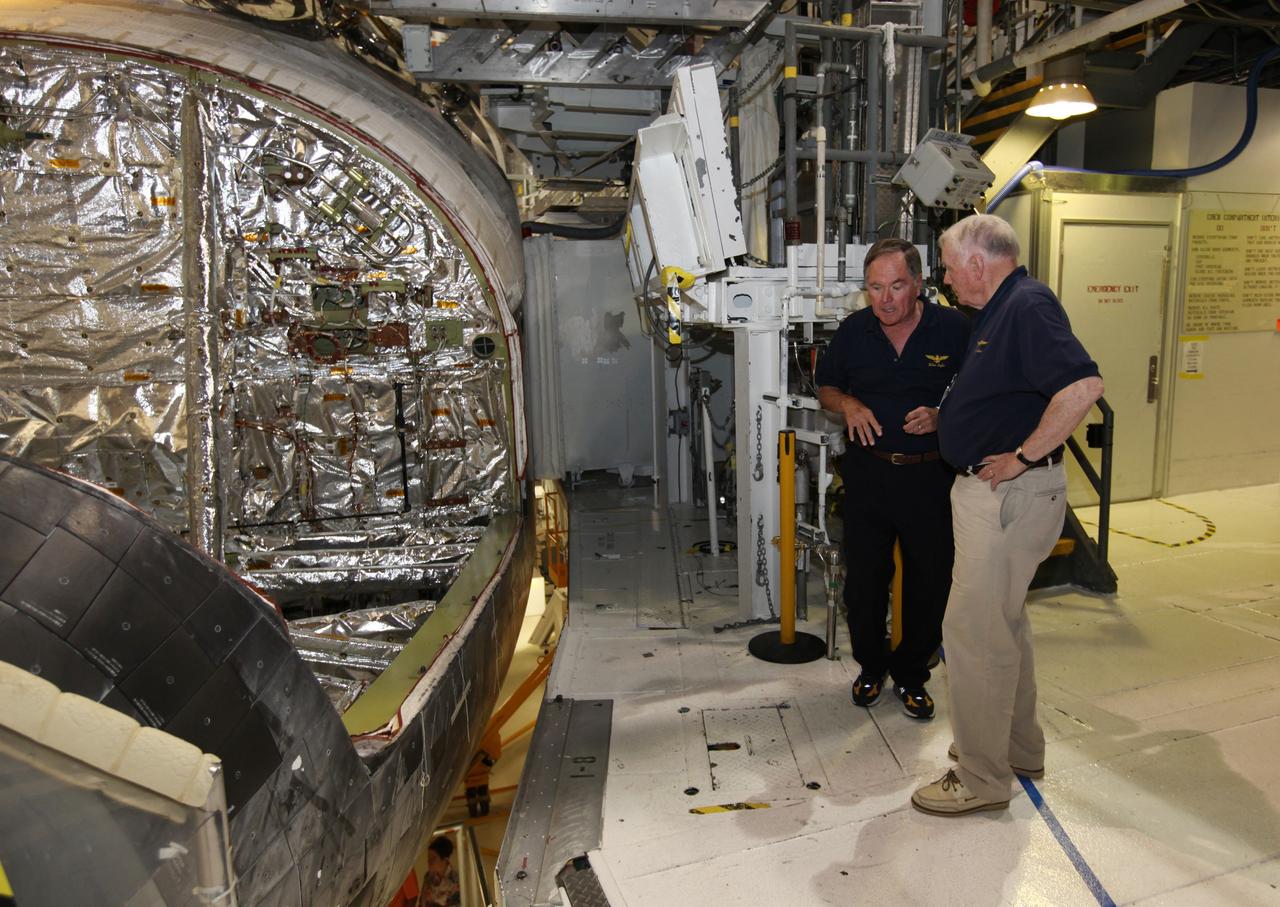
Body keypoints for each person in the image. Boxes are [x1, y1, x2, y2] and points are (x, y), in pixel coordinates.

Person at [912, 213, 1104, 816]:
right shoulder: (999, 309)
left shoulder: (1026, 305)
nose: (946, 279)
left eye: (949, 267)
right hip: (998, 497)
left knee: (973, 634)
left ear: (977, 263)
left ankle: (982, 777)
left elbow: (1083, 387)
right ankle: (1017, 749)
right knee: (1004, 627)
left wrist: (1022, 456)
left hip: (1007, 497)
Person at [816, 238, 970, 719]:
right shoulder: (854, 331)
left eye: (896, 286)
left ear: (919, 284)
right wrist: (848, 404)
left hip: (931, 478)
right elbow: (826, 386)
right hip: (869, 474)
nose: (884, 299)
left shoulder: (954, 329)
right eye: (875, 287)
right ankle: (871, 666)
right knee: (863, 583)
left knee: (931, 581)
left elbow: (980, 390)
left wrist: (944, 416)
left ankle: (911, 673)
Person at [422, 835, 461, 907]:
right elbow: (422, 902)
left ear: (445, 860)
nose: (429, 863)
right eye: (428, 859)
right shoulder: (428, 877)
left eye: (433, 859)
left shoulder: (456, 880)